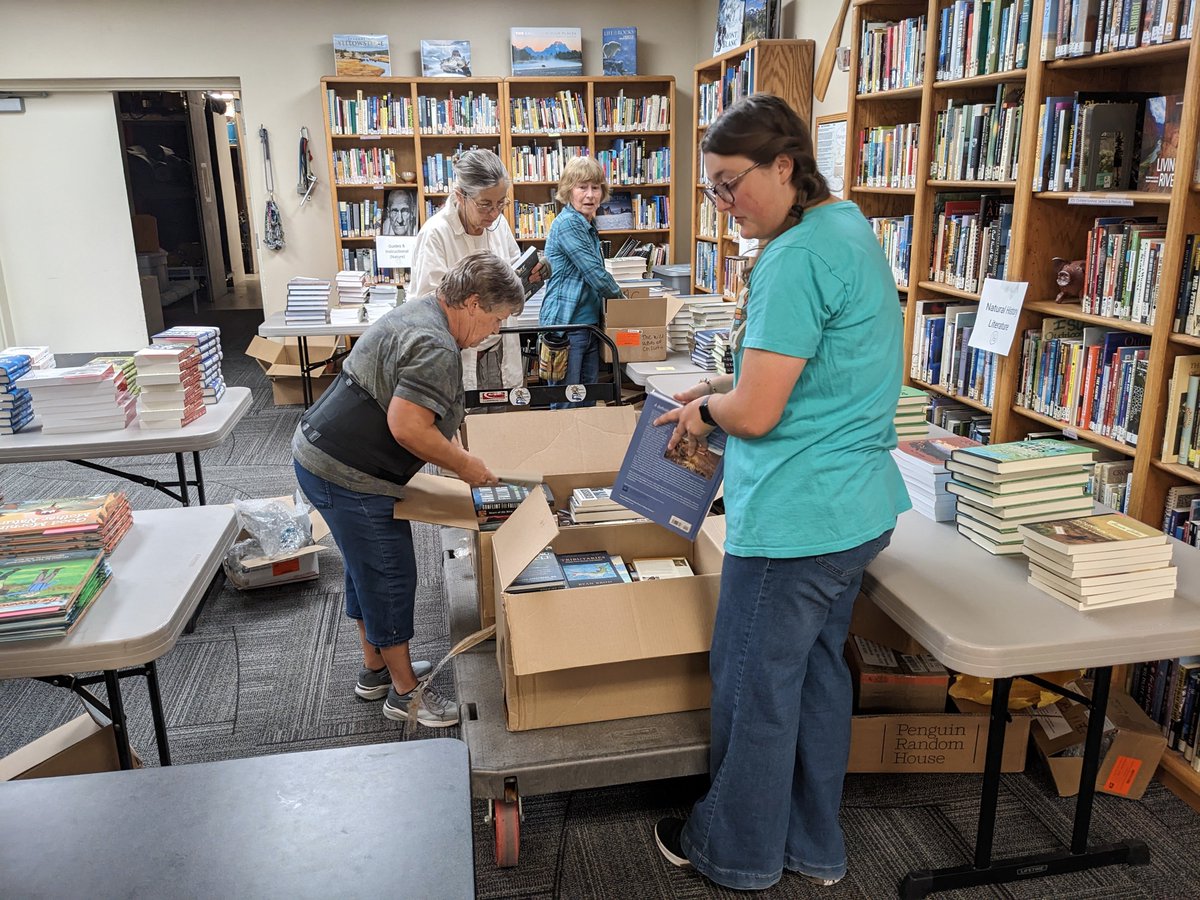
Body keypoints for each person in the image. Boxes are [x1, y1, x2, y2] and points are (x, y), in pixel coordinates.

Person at [651, 93, 911, 891]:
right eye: (713, 189)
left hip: (798, 519)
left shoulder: (790, 257)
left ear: (786, 165)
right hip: (857, 507)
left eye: (731, 184)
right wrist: (731, 380)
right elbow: (814, 375)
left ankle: (735, 851)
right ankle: (813, 846)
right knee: (819, 674)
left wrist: (704, 408)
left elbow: (759, 414)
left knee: (756, 685)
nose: (724, 204)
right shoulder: (846, 227)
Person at [292, 251, 526, 728]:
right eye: (496, 320)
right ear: (473, 303)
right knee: (389, 573)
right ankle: (405, 693)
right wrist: (467, 468)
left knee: (364, 570)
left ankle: (376, 669)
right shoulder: (437, 344)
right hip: (349, 472)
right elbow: (407, 428)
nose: (494, 333)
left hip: (319, 454)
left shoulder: (425, 309)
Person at [410, 149, 548, 407]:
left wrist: (529, 277)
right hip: (461, 355)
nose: (494, 213)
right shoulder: (435, 234)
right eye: (485, 204)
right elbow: (426, 307)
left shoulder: (498, 225)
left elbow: (510, 279)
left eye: (501, 203)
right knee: (464, 426)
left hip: (497, 349)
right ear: (460, 195)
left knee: (500, 427)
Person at [540, 155, 624, 408]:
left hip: (588, 326)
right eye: (582, 187)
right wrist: (625, 303)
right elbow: (596, 275)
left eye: (595, 187)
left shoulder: (587, 223)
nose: (590, 195)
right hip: (566, 326)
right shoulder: (568, 224)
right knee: (566, 403)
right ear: (568, 191)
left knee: (586, 400)